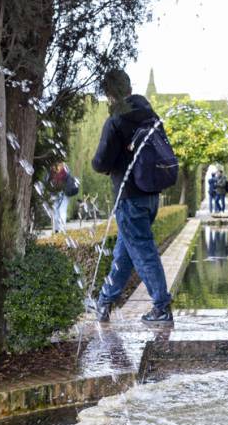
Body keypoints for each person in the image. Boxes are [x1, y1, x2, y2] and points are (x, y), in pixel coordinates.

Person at [91, 69, 173, 323]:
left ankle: (161, 307)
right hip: (150, 196)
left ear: (109, 93)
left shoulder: (116, 120)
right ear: (128, 88)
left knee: (144, 252)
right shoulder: (150, 116)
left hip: (129, 197)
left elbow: (101, 162)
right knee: (124, 253)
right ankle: (104, 301)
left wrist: (100, 164)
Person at [49, 162, 78, 232]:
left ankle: (57, 230)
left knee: (57, 212)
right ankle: (60, 230)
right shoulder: (65, 169)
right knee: (60, 211)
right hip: (61, 194)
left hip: (58, 194)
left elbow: (48, 181)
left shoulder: (53, 169)